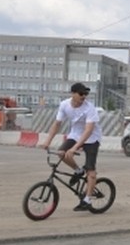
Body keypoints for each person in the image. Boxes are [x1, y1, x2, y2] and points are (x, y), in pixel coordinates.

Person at [39, 82, 103, 211]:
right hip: (75, 134)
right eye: (81, 94)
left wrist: (75, 148)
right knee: (61, 153)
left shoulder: (89, 108)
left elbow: (88, 130)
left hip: (91, 138)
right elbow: (57, 124)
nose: (83, 96)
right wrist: (47, 141)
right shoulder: (64, 105)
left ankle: (87, 199)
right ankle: (78, 170)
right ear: (73, 94)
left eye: (85, 94)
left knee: (91, 170)